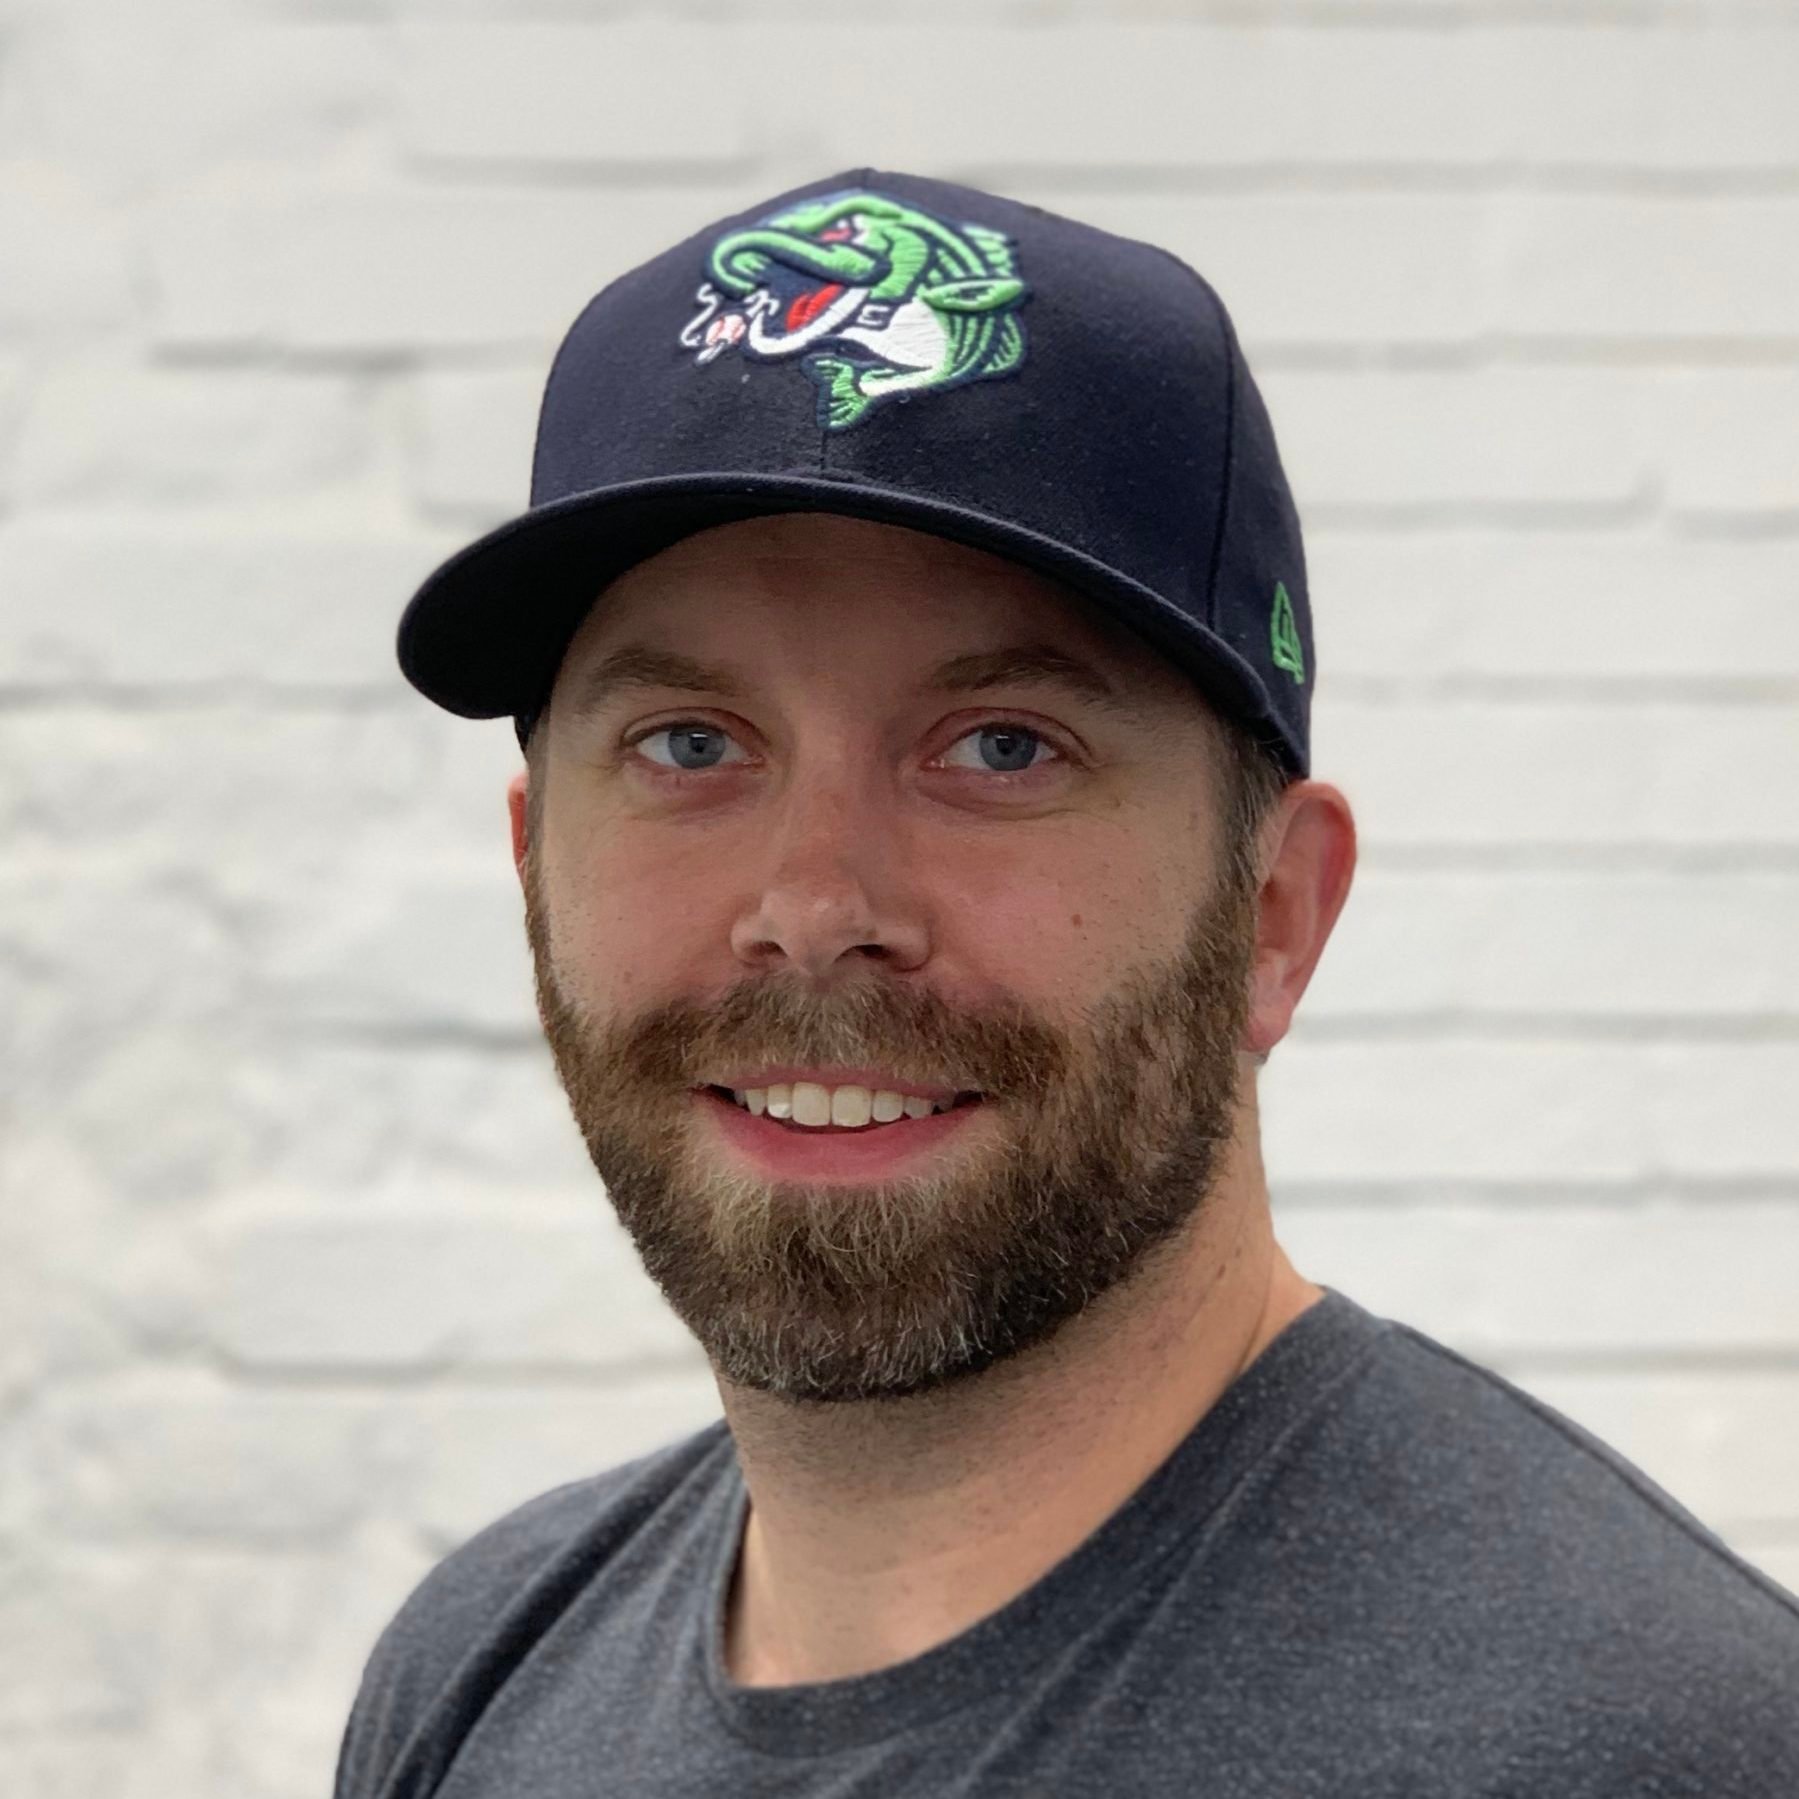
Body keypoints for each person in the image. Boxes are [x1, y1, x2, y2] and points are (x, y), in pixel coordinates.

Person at [335, 170, 1799, 1796]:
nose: (814, 909)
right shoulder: (481, 1680)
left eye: (1000, 748)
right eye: (689, 744)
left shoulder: (1651, 1746)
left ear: (1274, 915)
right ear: (533, 865)